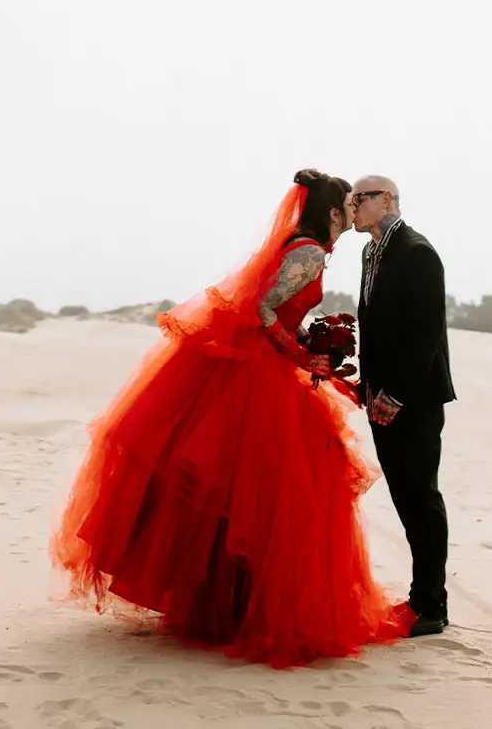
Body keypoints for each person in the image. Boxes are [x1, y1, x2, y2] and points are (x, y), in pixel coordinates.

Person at [50, 170, 407, 668]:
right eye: (347, 206)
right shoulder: (308, 252)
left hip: (264, 371)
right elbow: (262, 309)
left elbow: (275, 309)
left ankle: (228, 603)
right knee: (271, 491)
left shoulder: (303, 248)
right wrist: (301, 353)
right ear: (331, 212)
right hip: (262, 380)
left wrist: (308, 338)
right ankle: (248, 609)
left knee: (242, 491)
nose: (352, 214)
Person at [351, 175, 455, 637]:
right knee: (404, 498)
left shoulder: (417, 252)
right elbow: (376, 325)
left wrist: (395, 395)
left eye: (359, 198)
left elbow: (424, 333)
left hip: (414, 398)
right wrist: (367, 384)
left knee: (420, 499)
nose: (352, 206)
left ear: (387, 200)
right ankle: (420, 599)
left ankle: (430, 606)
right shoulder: (370, 252)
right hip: (380, 397)